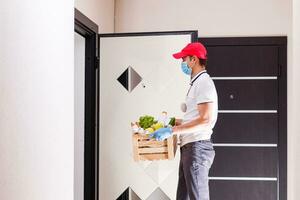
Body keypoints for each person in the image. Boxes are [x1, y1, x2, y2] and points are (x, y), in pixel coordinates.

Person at [149, 42, 218, 200]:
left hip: (197, 149)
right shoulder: (196, 83)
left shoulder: (204, 83)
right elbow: (195, 117)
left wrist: (172, 131)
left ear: (193, 60)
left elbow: (205, 120)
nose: (182, 63)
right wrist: (172, 122)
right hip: (190, 148)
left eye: (184, 59)